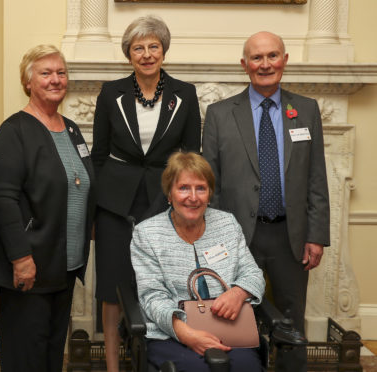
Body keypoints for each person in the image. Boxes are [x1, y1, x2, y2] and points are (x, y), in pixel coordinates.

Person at [202, 31, 330, 372]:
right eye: (257, 58)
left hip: (292, 236)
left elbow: (317, 177)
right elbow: (209, 184)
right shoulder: (219, 114)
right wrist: (213, 238)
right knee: (237, 320)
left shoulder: (306, 110)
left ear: (284, 61)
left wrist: (316, 235)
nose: (265, 64)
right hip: (237, 237)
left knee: (291, 321)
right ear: (244, 65)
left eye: (272, 56)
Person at [91, 16, 201, 371]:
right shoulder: (111, 93)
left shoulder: (185, 93)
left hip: (165, 202)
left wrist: (185, 201)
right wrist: (96, 207)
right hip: (115, 204)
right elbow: (98, 154)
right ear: (129, 54)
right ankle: (111, 364)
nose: (147, 53)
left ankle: (158, 360)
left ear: (164, 51)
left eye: (154, 46)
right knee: (113, 287)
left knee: (163, 284)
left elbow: (192, 155)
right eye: (138, 47)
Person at [0, 44, 95, 372]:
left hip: (64, 265)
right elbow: (3, 199)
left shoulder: (72, 129)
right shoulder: (14, 130)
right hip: (31, 265)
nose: (55, 80)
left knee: (51, 353)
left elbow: (80, 185)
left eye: (61, 73)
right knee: (27, 355)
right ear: (28, 82)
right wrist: (21, 259)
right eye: (45, 73)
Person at [130, 151, 265, 372]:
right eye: (183, 188)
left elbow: (252, 273)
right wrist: (186, 333)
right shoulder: (147, 234)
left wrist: (238, 292)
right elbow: (152, 296)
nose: (193, 197)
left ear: (209, 193)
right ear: (169, 194)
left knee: (246, 366)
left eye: (200, 188)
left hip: (228, 327)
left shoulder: (227, 224)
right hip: (170, 333)